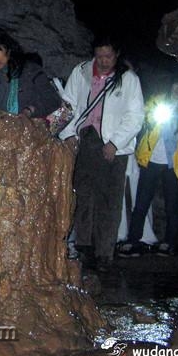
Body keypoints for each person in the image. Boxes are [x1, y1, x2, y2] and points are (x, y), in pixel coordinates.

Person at [59, 35, 144, 271]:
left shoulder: (128, 79)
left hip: (113, 145)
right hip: (86, 139)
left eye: (108, 56)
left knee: (109, 199)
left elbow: (135, 115)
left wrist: (115, 143)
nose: (104, 61)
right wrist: (68, 135)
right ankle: (84, 247)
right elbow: (68, 104)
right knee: (83, 195)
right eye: (99, 56)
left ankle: (105, 252)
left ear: (117, 55)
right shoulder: (81, 72)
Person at [118, 71, 178, 257]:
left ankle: (169, 242)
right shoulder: (156, 101)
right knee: (142, 202)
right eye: (177, 84)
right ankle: (133, 241)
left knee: (172, 205)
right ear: (171, 85)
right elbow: (143, 117)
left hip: (173, 163)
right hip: (151, 159)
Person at [0, 27, 63, 118]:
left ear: (7, 47)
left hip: (27, 126)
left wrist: (29, 110)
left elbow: (53, 100)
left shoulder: (30, 71)